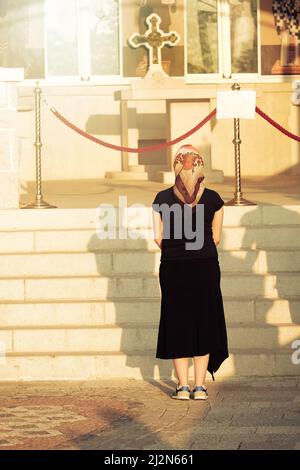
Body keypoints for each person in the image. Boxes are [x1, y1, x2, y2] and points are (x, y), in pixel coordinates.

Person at [152, 144, 229, 401]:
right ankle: (200, 386)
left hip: (173, 267)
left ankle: (182, 386)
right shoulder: (214, 199)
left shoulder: (161, 198)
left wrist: (177, 250)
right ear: (201, 167)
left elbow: (157, 237)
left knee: (177, 323)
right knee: (204, 322)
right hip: (205, 266)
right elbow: (216, 237)